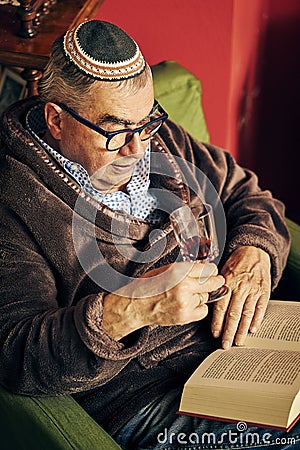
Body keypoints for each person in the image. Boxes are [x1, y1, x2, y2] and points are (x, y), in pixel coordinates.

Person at [0, 19, 298, 450]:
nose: (138, 148)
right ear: (56, 120)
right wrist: (135, 309)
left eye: (148, 123)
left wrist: (253, 252)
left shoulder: (155, 139)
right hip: (146, 397)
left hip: (239, 354)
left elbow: (244, 191)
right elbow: (18, 356)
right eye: (117, 132)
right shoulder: (15, 199)